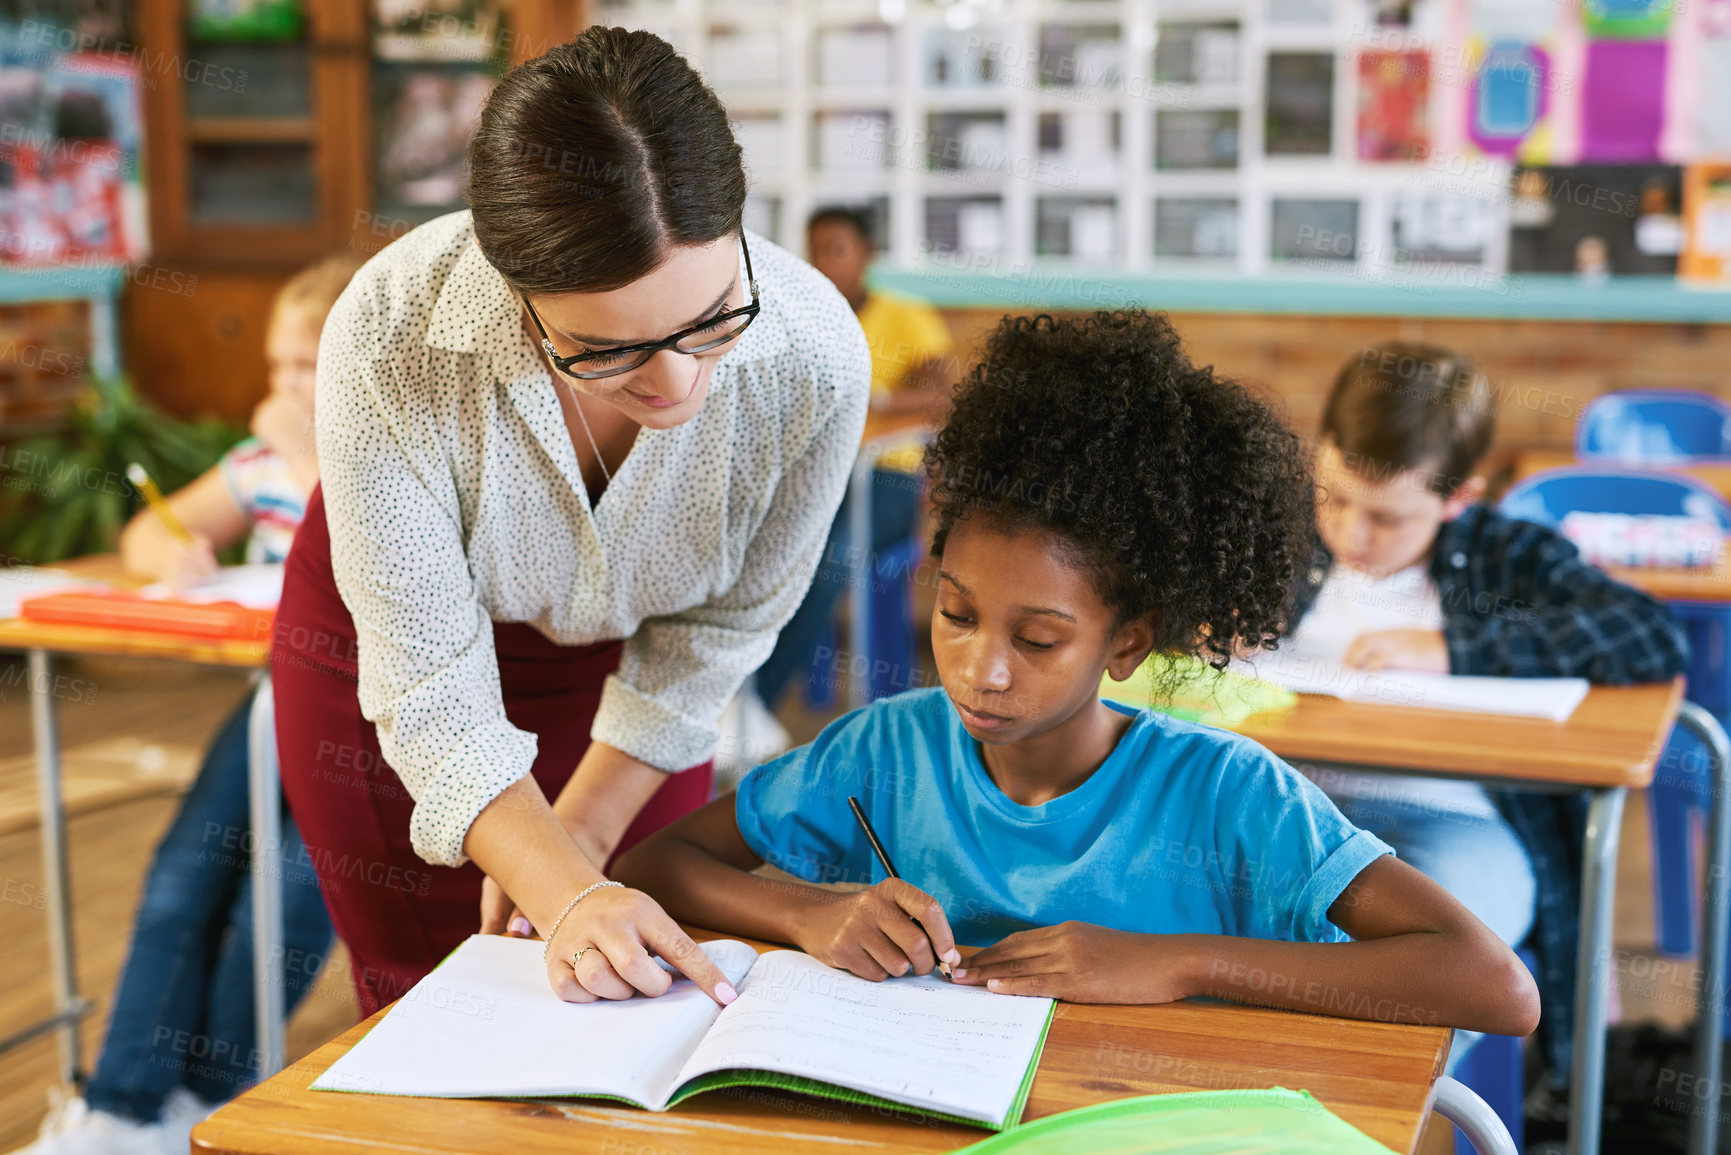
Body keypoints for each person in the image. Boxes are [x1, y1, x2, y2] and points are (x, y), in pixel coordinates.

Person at [617, 310, 1540, 1044]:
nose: (982, 669)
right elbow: (653, 864)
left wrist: (1177, 962)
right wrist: (807, 910)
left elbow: (1491, 984)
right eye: (956, 613)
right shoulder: (880, 753)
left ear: (1128, 643)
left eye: (1040, 639)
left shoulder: (1225, 792)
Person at [268, 26, 871, 1016]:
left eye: (714, 318)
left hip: (633, 683)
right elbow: (427, 688)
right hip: (392, 666)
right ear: (517, 296)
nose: (678, 384)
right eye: (603, 349)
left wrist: (585, 837)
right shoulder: (390, 336)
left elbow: (725, 627)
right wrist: (565, 886)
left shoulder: (814, 356)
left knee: (632, 996)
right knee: (440, 1007)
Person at [19, 254, 363, 1155]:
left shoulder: (375, 452)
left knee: (276, 911)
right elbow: (146, 528)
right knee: (180, 880)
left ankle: (205, 1103)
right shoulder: (259, 465)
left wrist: (302, 445)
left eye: (307, 366)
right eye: (278, 365)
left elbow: (364, 541)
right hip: (268, 707)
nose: (283, 386)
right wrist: (169, 552)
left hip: (364, 734)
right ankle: (121, 1106)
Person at [1278, 341, 1688, 1083]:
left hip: (1456, 823)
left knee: (1431, 977)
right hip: (1291, 811)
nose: (1350, 533)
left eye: (1387, 516)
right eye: (1332, 497)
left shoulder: (1507, 555)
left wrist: (1454, 645)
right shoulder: (1277, 536)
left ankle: (1349, 1112)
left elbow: (1646, 633)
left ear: (1458, 496)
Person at [744, 207, 954, 723]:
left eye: (838, 248)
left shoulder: (905, 316)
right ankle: (738, 699)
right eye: (816, 249)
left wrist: (867, 397)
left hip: (885, 483)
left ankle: (756, 707)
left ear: (867, 255)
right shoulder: (802, 316)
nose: (824, 261)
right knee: (764, 552)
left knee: (821, 556)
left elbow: (940, 395)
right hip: (813, 474)